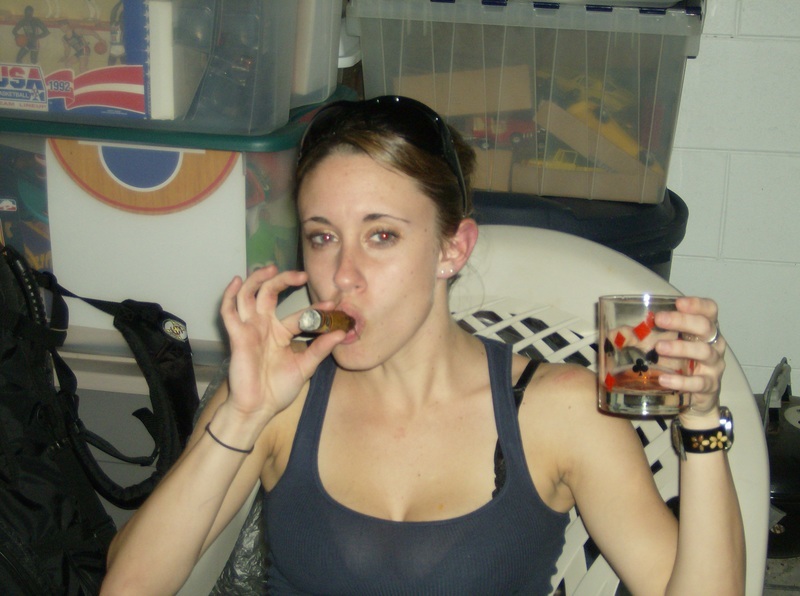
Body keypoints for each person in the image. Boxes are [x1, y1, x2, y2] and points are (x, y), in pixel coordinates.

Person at [102, 96, 744, 594]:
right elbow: (128, 586)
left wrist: (700, 423)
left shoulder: (559, 411)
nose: (342, 275)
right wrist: (242, 416)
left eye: (380, 236)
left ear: (451, 249)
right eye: (322, 237)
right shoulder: (279, 395)